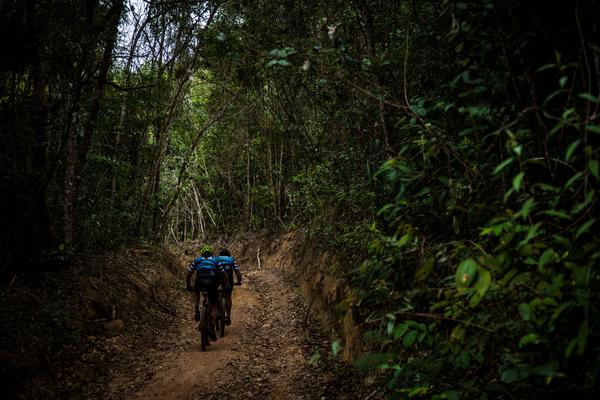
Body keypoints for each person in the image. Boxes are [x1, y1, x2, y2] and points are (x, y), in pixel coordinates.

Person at [186, 245, 228, 341]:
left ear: (202, 254)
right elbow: (223, 274)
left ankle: (196, 309)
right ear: (211, 253)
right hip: (212, 283)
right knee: (214, 305)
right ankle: (212, 327)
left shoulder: (197, 260)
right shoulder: (215, 260)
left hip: (200, 282)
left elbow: (188, 275)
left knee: (195, 291)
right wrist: (225, 285)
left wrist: (188, 286)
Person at [215, 248, 242, 325]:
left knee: (215, 296)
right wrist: (239, 282)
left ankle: (215, 311)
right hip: (228, 280)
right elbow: (238, 273)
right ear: (228, 254)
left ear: (220, 254)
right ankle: (228, 317)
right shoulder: (231, 259)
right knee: (228, 296)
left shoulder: (216, 259)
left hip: (216, 280)